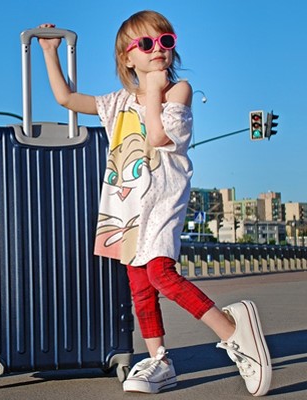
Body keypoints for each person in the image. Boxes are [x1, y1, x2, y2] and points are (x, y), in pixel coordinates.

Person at [38, 10, 271, 396]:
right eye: (146, 44)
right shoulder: (116, 103)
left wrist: (151, 90)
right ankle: (160, 359)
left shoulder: (177, 91)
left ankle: (234, 332)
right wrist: (50, 52)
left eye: (166, 42)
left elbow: (159, 137)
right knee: (140, 285)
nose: (158, 50)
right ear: (128, 57)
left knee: (161, 273)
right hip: (126, 208)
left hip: (162, 199)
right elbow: (65, 97)